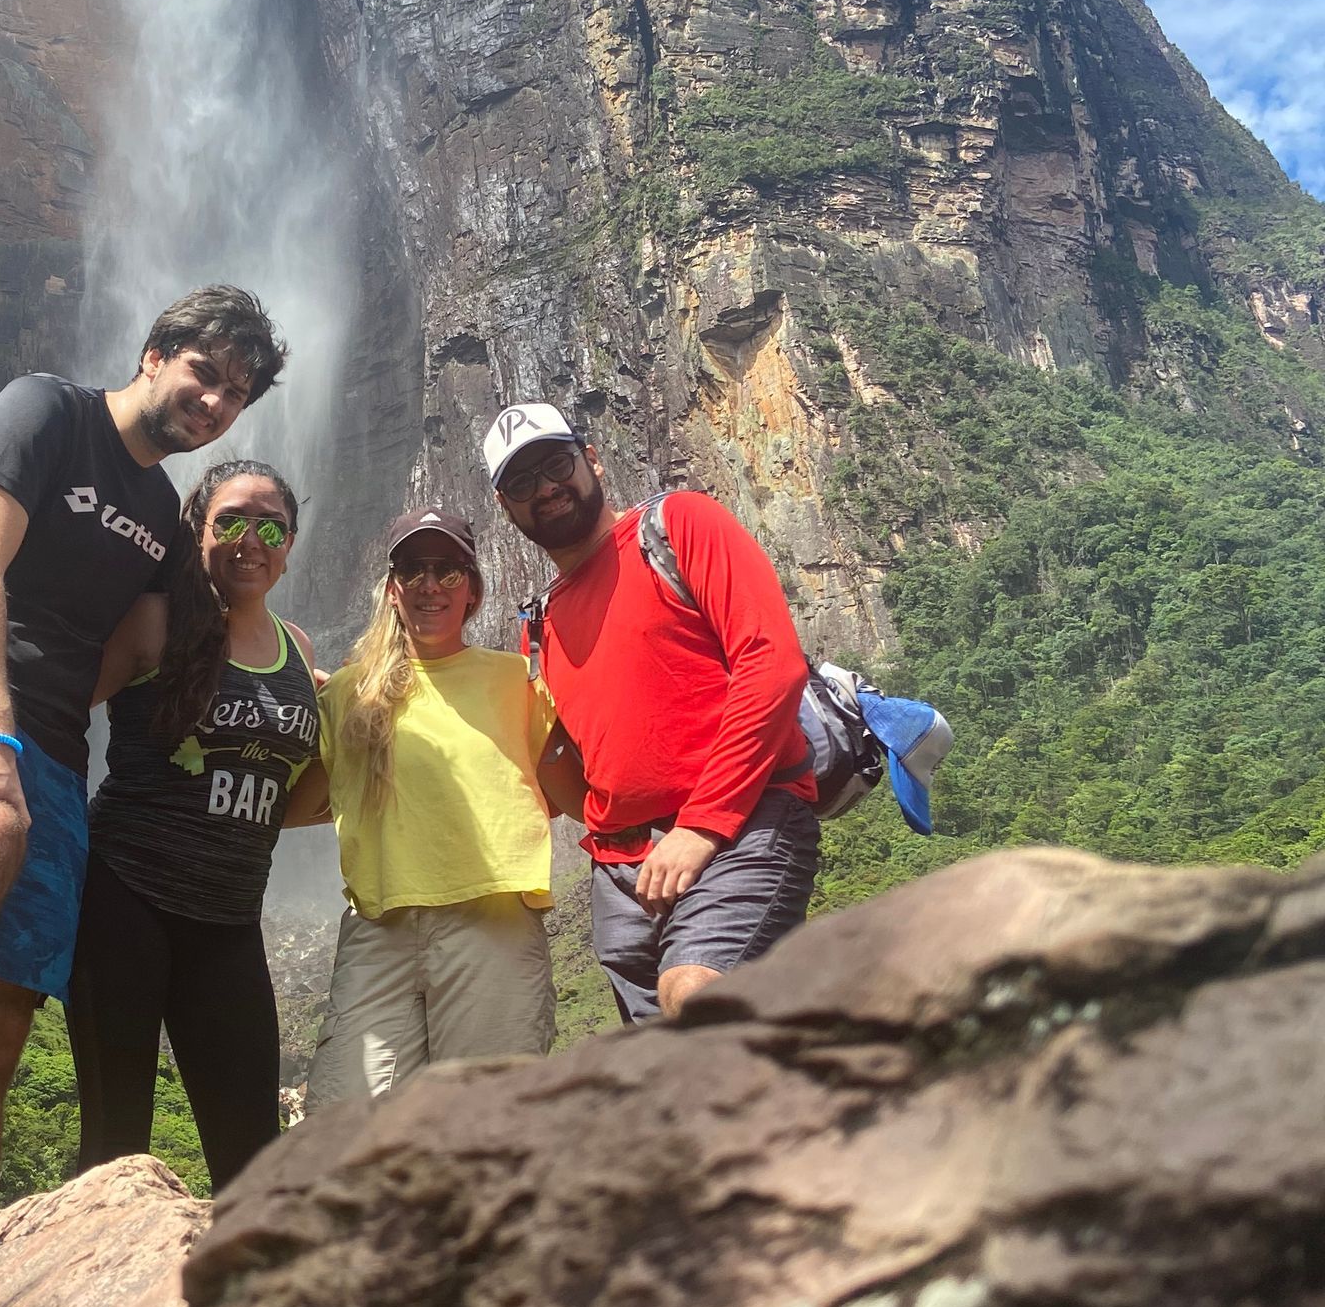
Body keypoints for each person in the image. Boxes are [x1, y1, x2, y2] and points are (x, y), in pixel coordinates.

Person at [0, 285, 286, 1277]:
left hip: (52, 744)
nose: (214, 401)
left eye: (236, 394)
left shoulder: (162, 524)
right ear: (153, 354)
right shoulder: (44, 409)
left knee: (0, 1025)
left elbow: (187, 640)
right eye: (204, 373)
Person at [484, 401, 819, 1024]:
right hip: (620, 873)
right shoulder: (538, 625)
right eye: (522, 484)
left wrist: (701, 826)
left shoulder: (677, 526)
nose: (547, 489)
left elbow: (771, 663)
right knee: (663, 1066)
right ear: (506, 507)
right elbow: (561, 759)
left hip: (738, 828)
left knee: (695, 999)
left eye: (556, 464)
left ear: (593, 459)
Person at [65, 456, 319, 1192]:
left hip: (230, 920)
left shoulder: (299, 652)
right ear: (198, 531)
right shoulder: (155, 621)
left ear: (290, 543)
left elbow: (293, 792)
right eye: (231, 521)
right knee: (116, 1140)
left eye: (272, 526)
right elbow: (52, 690)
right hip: (124, 899)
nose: (252, 539)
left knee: (252, 1157)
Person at [300, 507, 580, 1111]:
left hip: (493, 927)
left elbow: (569, 794)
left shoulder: (518, 681)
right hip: (380, 929)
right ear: (392, 586)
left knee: (485, 1123)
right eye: (413, 569)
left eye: (448, 571)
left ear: (473, 589)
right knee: (342, 1119)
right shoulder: (350, 693)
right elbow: (312, 798)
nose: (430, 585)